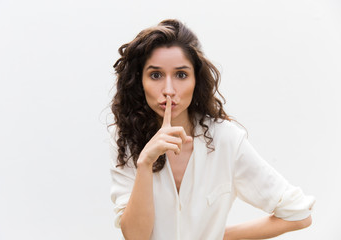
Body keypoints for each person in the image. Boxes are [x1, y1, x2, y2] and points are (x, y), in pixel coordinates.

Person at [109, 19, 315, 240]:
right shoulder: (126, 138)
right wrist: (145, 163)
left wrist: (216, 236)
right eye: (156, 75)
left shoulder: (225, 139)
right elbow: (135, 236)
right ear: (140, 81)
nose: (168, 90)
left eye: (181, 75)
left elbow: (299, 215)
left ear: (196, 80)